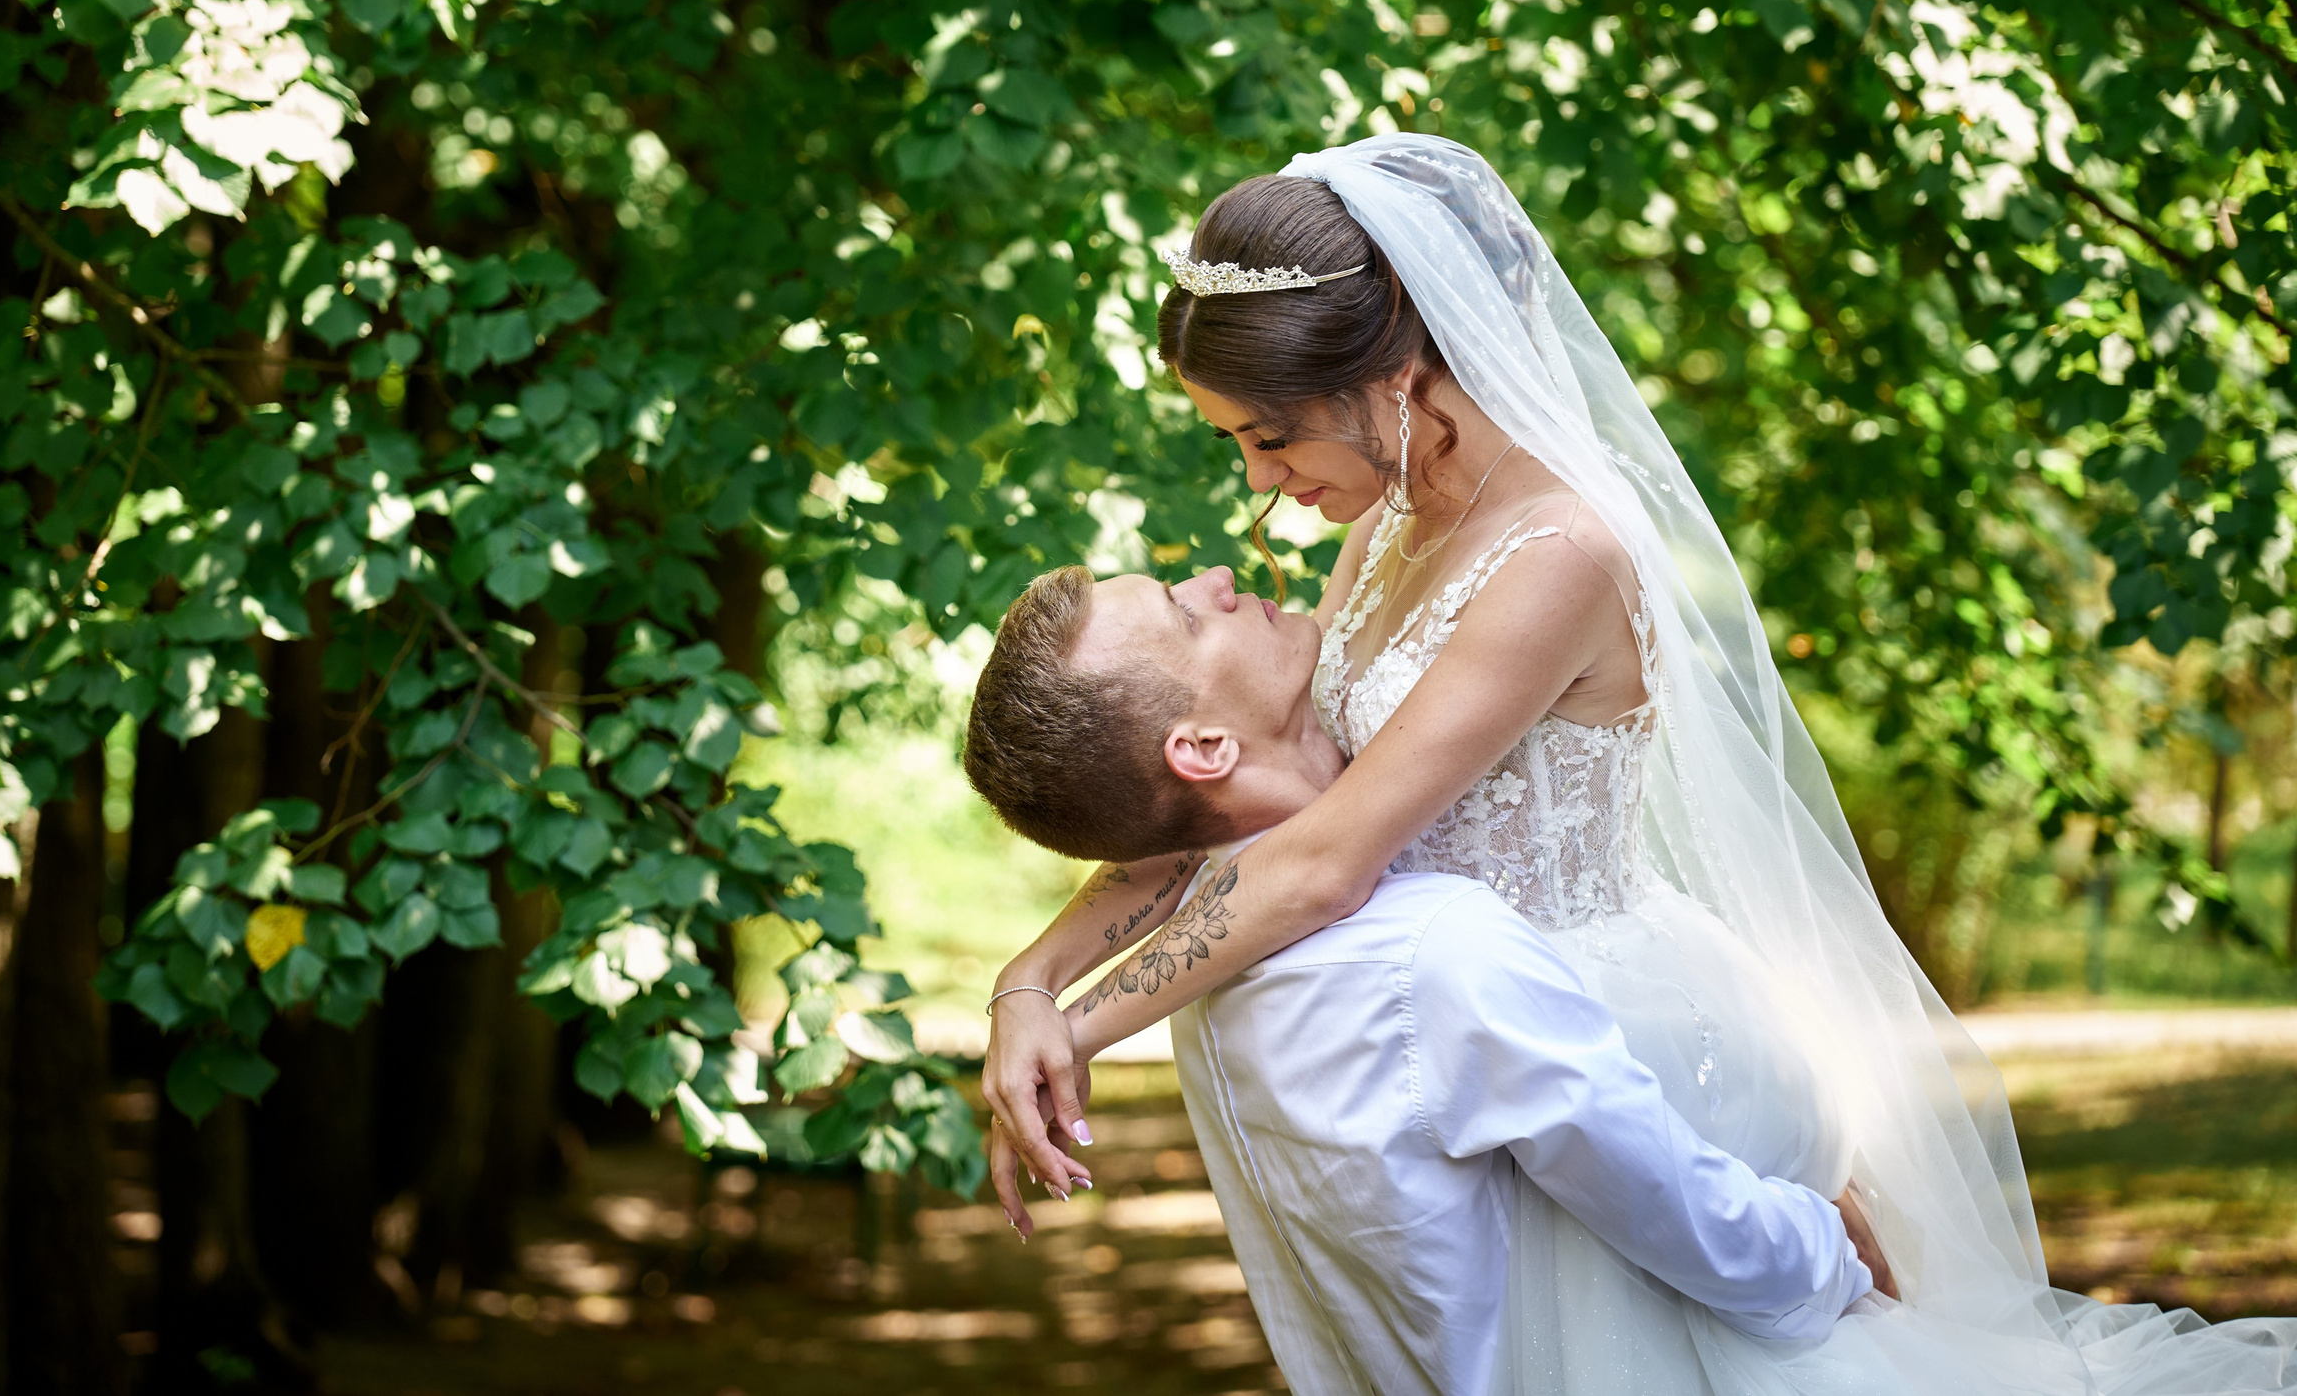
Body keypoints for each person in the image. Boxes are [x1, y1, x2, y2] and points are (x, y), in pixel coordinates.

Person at [966, 135, 2297, 1395]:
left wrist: (1077, 1031)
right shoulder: (1384, 522)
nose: (1261, 484)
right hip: (1461, 1035)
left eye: (1269, 437)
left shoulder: (1557, 556)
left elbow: (1317, 859)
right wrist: (1030, 980)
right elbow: (1221, 808)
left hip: (1601, 1040)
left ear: (1393, 381)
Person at [965, 562, 1890, 1394]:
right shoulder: (1438, 954)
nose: (1214, 575)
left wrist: (1033, 984)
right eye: (1184, 613)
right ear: (1203, 748)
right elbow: (1668, 1202)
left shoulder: (1215, 985)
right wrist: (1829, 1260)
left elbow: (1180, 839)